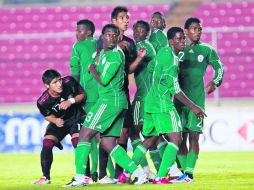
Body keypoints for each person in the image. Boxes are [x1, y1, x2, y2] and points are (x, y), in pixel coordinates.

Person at [66, 24, 148, 187]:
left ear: (118, 37)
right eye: (108, 34)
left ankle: (80, 178)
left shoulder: (116, 56)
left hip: (110, 101)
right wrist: (95, 63)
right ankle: (139, 174)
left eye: (114, 35)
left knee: (84, 134)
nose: (111, 37)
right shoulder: (104, 53)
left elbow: (103, 80)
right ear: (102, 37)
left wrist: (91, 69)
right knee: (108, 143)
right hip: (117, 102)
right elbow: (98, 61)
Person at [131, 27, 207, 184]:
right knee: (176, 138)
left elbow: (151, 68)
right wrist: (194, 106)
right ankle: (160, 177)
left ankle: (127, 171)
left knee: (150, 139)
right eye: (179, 39)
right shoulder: (172, 61)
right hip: (162, 103)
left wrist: (159, 80)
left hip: (150, 101)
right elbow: (176, 90)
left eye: (183, 39)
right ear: (171, 41)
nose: (183, 42)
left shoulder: (163, 52)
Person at [173, 17, 224, 183]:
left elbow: (219, 68)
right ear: (186, 31)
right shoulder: (178, 49)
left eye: (200, 29)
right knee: (179, 138)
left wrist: (214, 82)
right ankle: (182, 172)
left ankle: (189, 173)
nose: (198, 32)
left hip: (197, 100)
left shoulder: (207, 50)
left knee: (194, 136)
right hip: (179, 101)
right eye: (194, 29)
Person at [96, 6, 140, 183]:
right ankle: (102, 174)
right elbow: (99, 62)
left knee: (123, 133)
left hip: (122, 94)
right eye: (122, 18)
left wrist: (138, 58)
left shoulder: (129, 42)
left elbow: (127, 70)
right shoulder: (103, 40)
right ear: (113, 21)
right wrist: (114, 48)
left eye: (127, 18)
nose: (126, 20)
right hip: (107, 95)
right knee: (105, 134)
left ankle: (118, 174)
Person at [33, 69, 85, 184]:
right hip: (59, 122)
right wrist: (55, 120)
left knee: (78, 143)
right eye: (55, 82)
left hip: (76, 117)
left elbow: (82, 95)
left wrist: (70, 101)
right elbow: (47, 116)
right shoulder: (42, 101)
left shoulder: (69, 81)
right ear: (47, 85)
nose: (59, 84)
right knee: (47, 143)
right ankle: (46, 177)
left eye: (59, 80)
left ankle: (85, 176)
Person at [69, 19, 99, 182]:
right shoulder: (101, 44)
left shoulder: (77, 47)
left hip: (87, 98)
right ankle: (101, 173)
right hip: (104, 97)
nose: (76, 33)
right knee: (104, 137)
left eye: (79, 30)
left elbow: (75, 73)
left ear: (88, 32)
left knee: (88, 135)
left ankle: (88, 174)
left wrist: (74, 95)